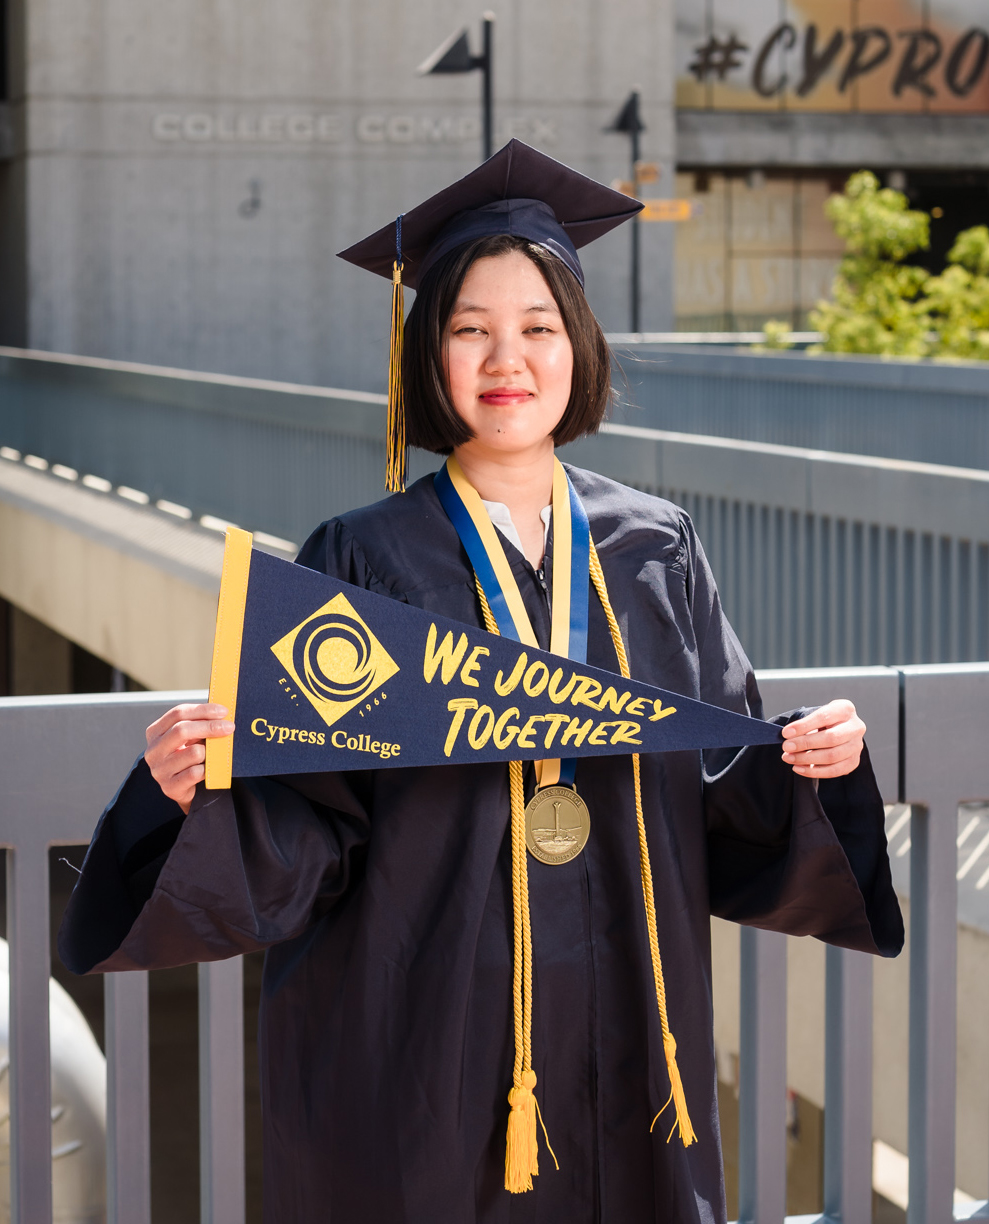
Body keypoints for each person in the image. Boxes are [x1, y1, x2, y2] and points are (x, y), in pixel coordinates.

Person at [60, 140, 902, 1224]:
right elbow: (307, 826)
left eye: (537, 328)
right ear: (429, 355)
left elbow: (717, 775)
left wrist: (809, 763)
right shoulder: (360, 559)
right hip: (429, 1036)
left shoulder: (653, 546)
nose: (506, 358)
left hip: (625, 1037)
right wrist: (189, 798)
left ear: (578, 348)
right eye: (470, 330)